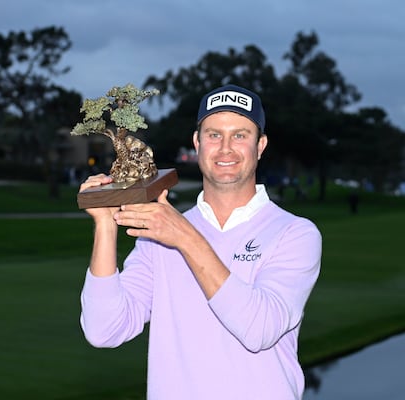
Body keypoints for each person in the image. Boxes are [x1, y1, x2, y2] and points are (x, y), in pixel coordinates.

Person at [78, 84, 322, 399]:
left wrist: (185, 237)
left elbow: (259, 329)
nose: (225, 149)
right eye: (214, 135)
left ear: (260, 145)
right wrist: (106, 225)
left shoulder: (294, 233)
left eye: (240, 135)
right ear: (197, 142)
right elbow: (104, 329)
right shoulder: (160, 235)